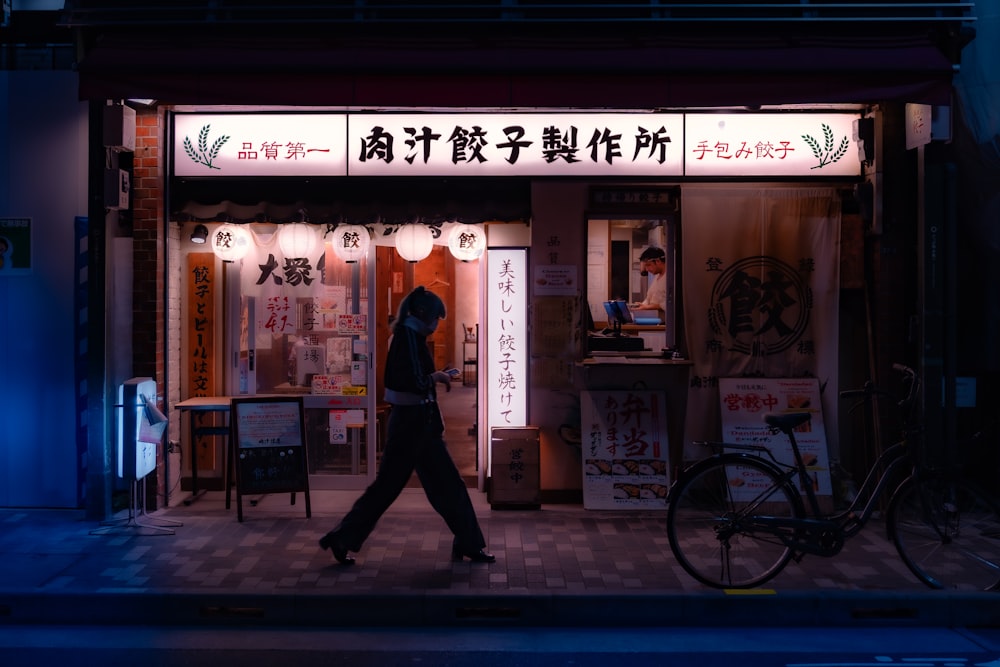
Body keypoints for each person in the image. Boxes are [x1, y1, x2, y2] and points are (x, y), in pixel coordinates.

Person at [319, 286, 495, 565]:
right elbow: (411, 380)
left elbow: (408, 378)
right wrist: (436, 377)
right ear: (424, 315)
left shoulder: (405, 335)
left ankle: (468, 541)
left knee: (413, 486)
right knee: (440, 485)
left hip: (411, 422)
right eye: (436, 318)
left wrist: (434, 377)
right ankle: (468, 542)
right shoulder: (407, 337)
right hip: (413, 424)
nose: (437, 325)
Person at [630, 246, 667, 320]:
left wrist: (649, 307)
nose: (646, 269)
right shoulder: (656, 277)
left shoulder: (671, 277)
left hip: (664, 324)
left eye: (648, 265)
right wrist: (641, 306)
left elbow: (671, 303)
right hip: (653, 320)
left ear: (658, 261)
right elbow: (648, 298)